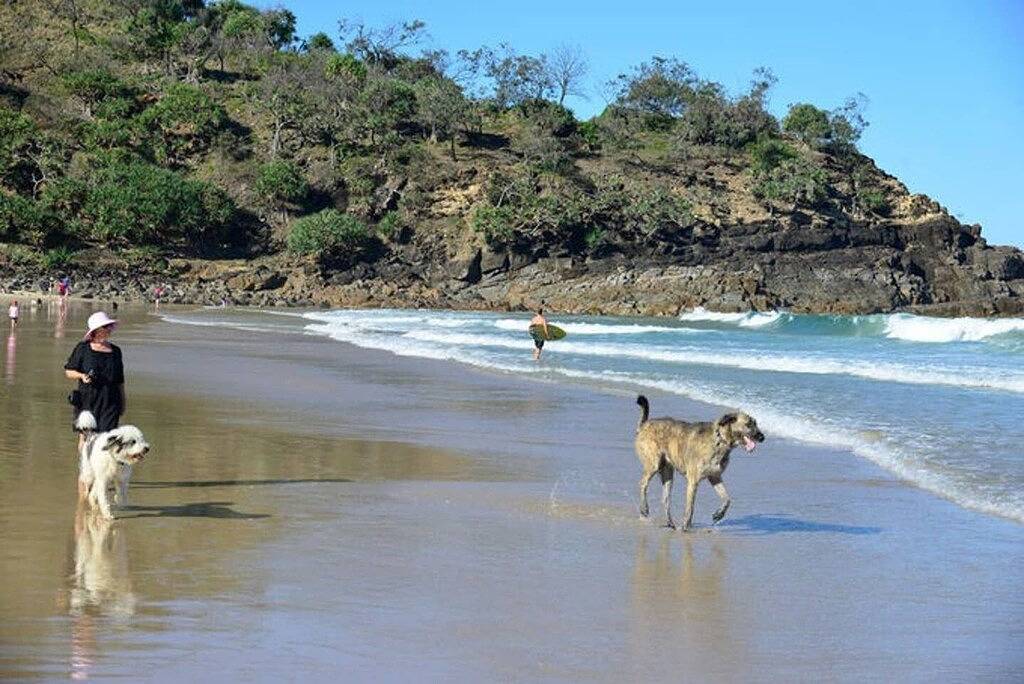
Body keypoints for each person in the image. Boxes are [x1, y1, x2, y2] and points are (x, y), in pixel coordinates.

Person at [65, 312, 125, 457]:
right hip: (87, 400)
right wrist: (82, 376)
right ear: (96, 329)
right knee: (86, 439)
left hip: (110, 402)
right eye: (106, 326)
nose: (109, 329)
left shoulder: (116, 351)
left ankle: (101, 473)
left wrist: (123, 403)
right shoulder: (83, 348)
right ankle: (85, 470)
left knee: (107, 440)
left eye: (110, 326)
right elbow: (69, 371)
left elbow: (120, 381)